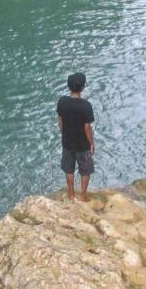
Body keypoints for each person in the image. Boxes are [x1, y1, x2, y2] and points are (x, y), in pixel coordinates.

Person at [57, 72, 95, 201]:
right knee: (85, 171)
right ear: (83, 87)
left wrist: (64, 133)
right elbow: (87, 128)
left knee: (69, 169)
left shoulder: (62, 102)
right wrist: (91, 143)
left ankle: (71, 193)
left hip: (67, 142)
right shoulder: (86, 106)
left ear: (69, 87)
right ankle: (83, 195)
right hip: (82, 144)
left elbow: (60, 121)